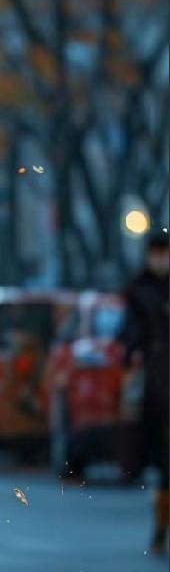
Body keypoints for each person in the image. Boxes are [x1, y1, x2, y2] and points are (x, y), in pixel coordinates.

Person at [119, 231, 169, 552]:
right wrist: (135, 350)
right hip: (158, 381)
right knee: (164, 460)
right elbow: (129, 331)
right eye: (157, 253)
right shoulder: (138, 289)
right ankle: (161, 527)